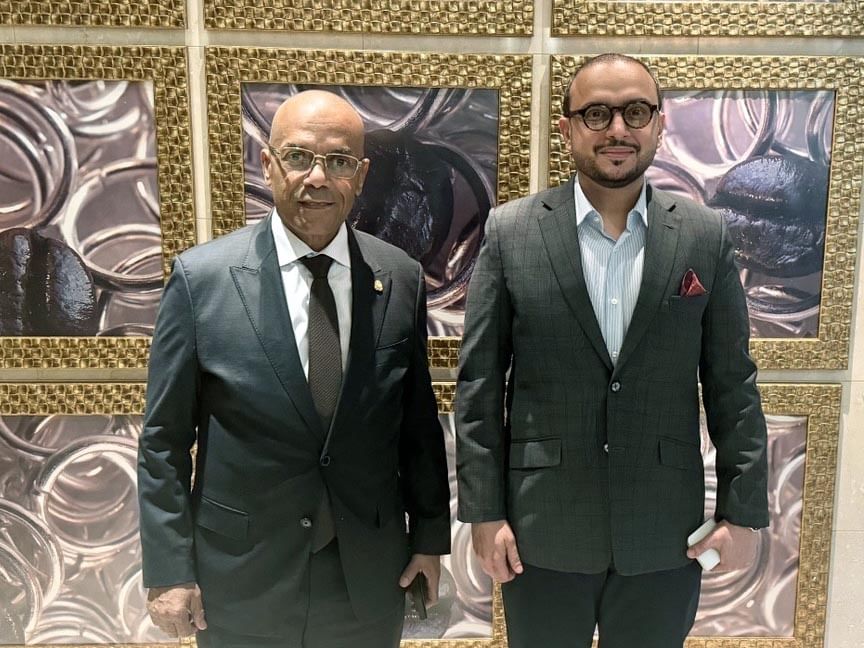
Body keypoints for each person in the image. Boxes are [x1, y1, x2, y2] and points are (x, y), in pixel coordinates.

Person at [455, 53, 768, 648]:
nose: (617, 129)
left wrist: (744, 512)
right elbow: (480, 387)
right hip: (540, 530)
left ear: (660, 124)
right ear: (567, 127)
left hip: (664, 532)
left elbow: (733, 384)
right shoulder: (511, 231)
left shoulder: (705, 234)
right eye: (596, 114)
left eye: (635, 112)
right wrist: (483, 512)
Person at [137, 89, 450, 648]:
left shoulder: (399, 276)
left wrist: (429, 538)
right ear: (268, 163)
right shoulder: (201, 280)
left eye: (339, 161)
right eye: (299, 157)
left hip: (366, 577)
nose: (318, 178)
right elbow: (164, 440)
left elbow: (418, 426)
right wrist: (169, 570)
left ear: (361, 175)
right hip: (241, 579)